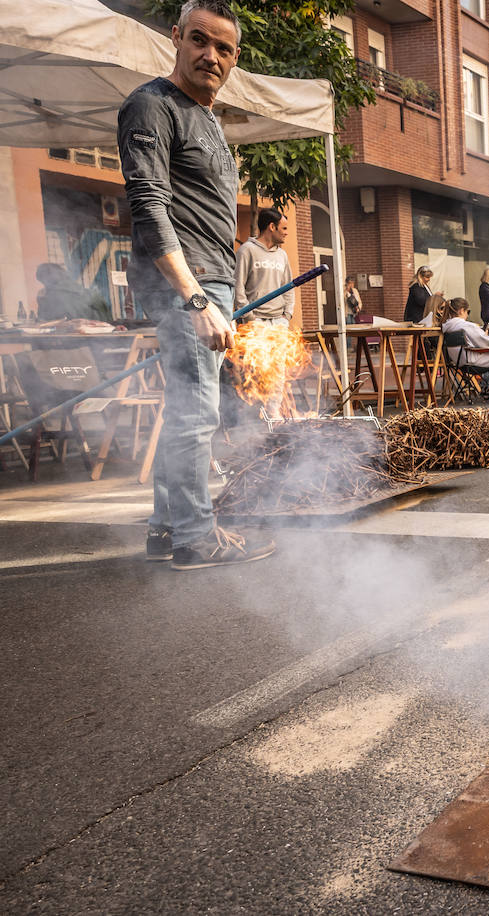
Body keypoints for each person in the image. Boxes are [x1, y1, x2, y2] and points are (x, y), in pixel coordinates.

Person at [118, 0, 273, 569]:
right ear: (177, 37)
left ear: (235, 58)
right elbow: (149, 205)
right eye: (200, 41)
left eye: (224, 48)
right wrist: (196, 297)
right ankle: (194, 537)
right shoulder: (151, 105)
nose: (211, 55)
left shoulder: (206, 118)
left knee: (185, 408)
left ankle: (166, 529)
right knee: (196, 414)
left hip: (211, 281)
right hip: (188, 285)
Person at [232, 206, 295, 419]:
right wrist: (249, 318)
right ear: (271, 227)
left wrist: (287, 315)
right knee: (256, 370)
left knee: (277, 371)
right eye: (283, 228)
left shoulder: (282, 255)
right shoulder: (247, 251)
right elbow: (238, 288)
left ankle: (273, 414)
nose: (286, 232)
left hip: (278, 322)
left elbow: (289, 287)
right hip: (256, 322)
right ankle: (254, 415)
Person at [436, 296, 489, 398]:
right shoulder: (466, 326)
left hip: (459, 362)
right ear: (461, 311)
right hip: (474, 362)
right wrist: (485, 335)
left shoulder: (446, 327)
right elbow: (486, 343)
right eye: (467, 311)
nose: (467, 314)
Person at [35, 263, 107, 322]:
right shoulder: (90, 294)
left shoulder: (48, 298)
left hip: (70, 334)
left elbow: (45, 323)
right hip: (100, 333)